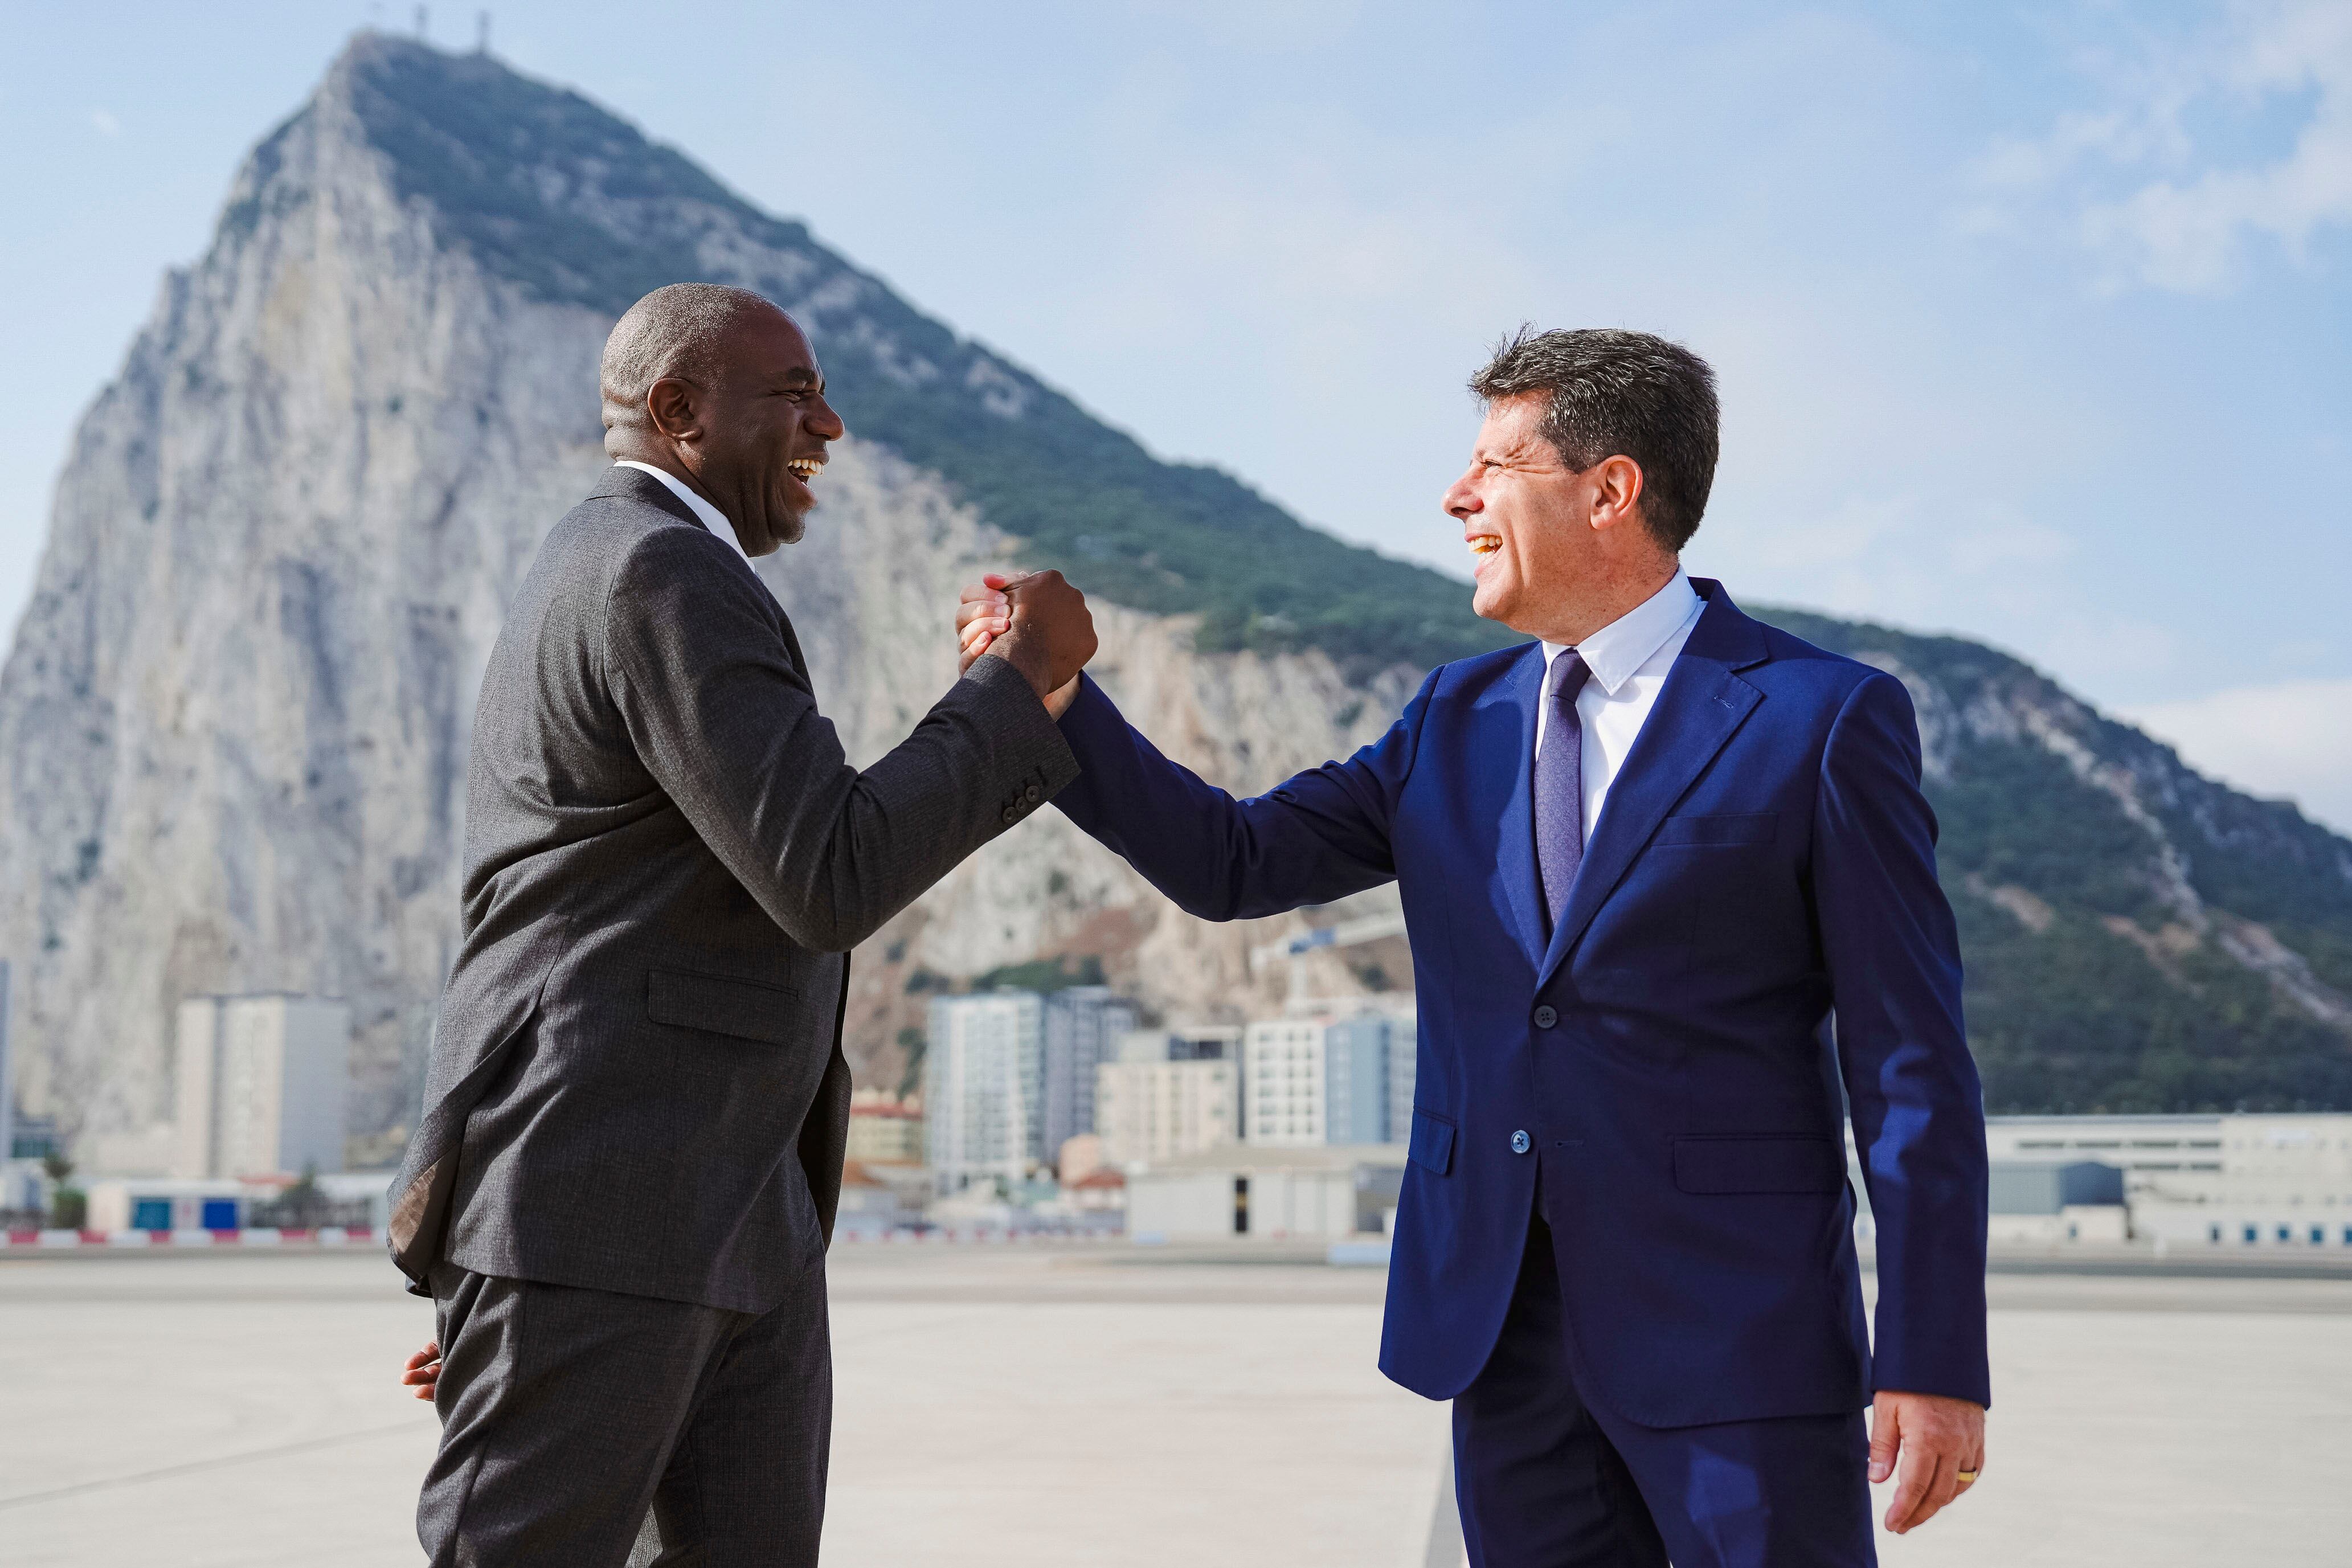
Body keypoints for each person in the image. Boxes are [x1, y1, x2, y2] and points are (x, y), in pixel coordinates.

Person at [958, 327, 1989, 1566]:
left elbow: (1910, 1064)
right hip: (1502, 1339)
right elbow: (1234, 861)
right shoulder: (1451, 719)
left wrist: (1932, 1354)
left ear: (1609, 490)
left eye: (1494, 465)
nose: (1457, 497)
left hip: (1737, 1340)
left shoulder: (1819, 717)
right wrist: (1059, 701)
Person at [386, 281, 1096, 1567]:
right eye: (793, 393)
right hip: (605, 1205)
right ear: (677, 411)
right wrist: (1013, 683)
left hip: (725, 1218)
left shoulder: (637, 564)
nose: (829, 422)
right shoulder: (656, 568)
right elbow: (828, 869)